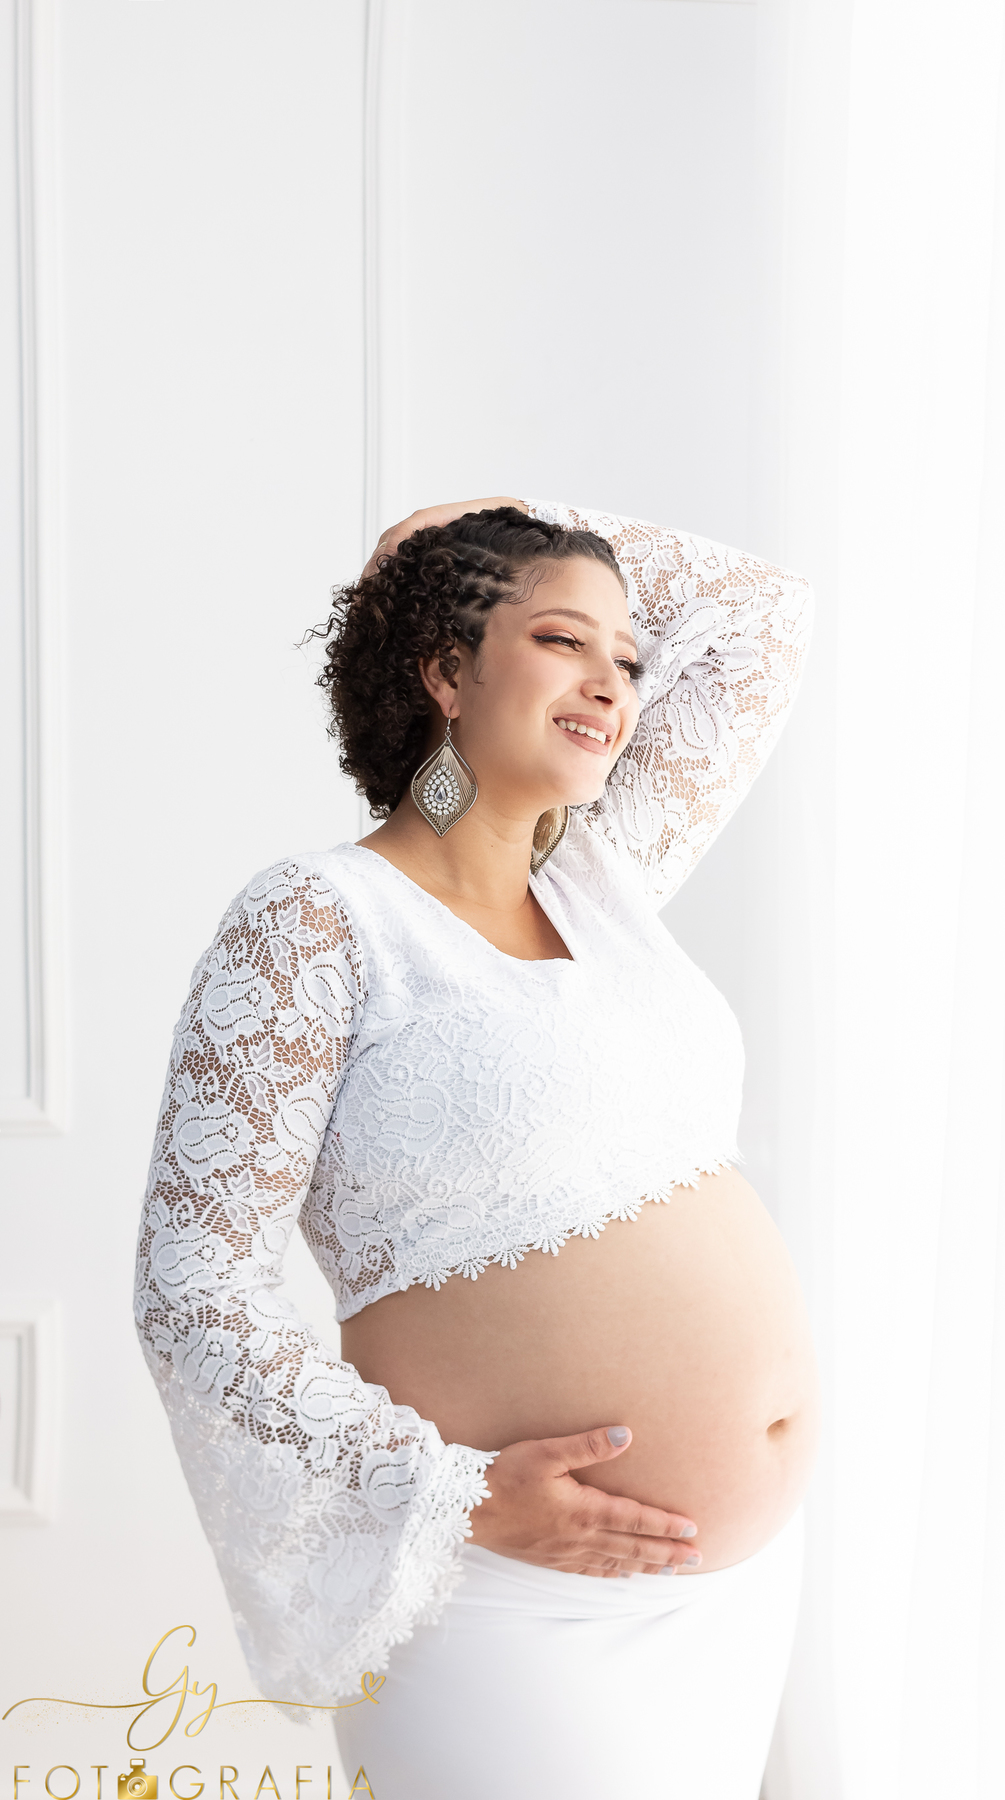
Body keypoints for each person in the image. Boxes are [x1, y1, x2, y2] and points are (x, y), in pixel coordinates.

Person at [134, 496, 819, 1800]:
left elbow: (762, 622)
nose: (614, 685)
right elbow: (192, 1292)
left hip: (732, 1593)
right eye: (563, 640)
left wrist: (506, 520)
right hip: (517, 1599)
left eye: (627, 656)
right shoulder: (316, 921)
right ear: (446, 668)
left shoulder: (600, 881)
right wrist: (447, 1497)